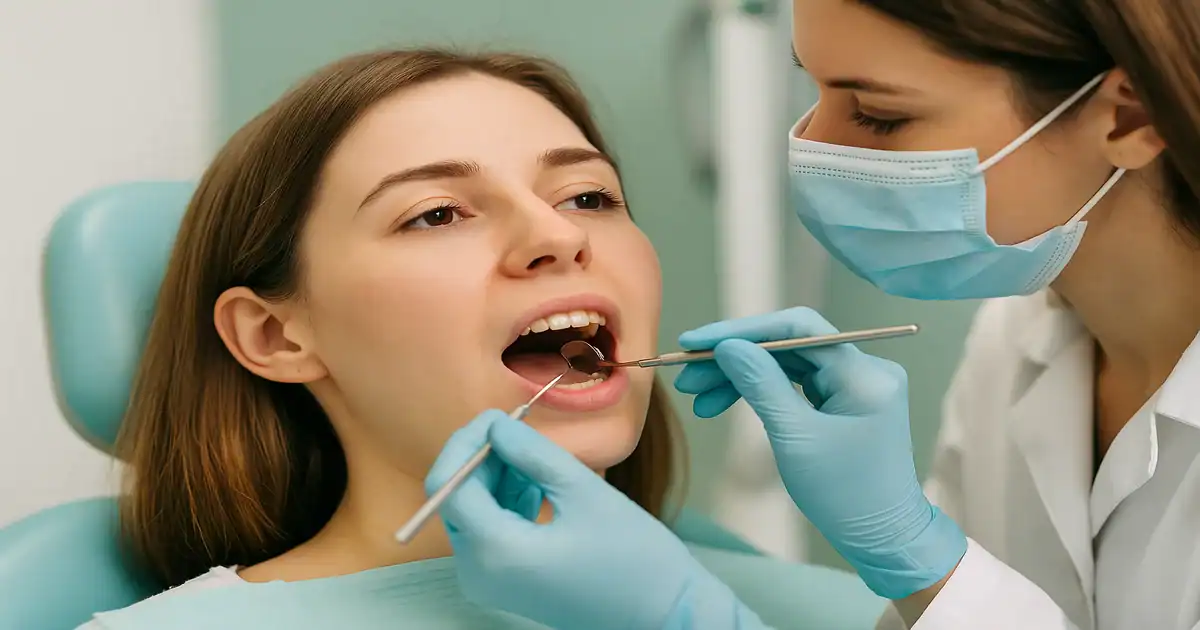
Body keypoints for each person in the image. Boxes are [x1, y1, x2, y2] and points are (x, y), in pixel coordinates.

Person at [429, 0, 1200, 629]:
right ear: (298, 334)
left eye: (878, 114)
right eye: (434, 215)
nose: (812, 147)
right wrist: (917, 556)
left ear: (1127, 115)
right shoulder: (1020, 337)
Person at [78, 48, 774, 629]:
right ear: (275, 335)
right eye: (437, 214)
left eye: (588, 197)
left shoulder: (776, 599)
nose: (560, 236)